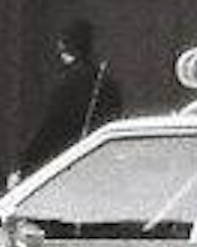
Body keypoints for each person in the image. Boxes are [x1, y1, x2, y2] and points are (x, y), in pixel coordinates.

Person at [15, 18, 122, 178]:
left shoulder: (66, 83)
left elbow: (49, 127)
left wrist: (24, 163)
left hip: (64, 163)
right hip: (98, 162)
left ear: (63, 46)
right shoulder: (106, 84)